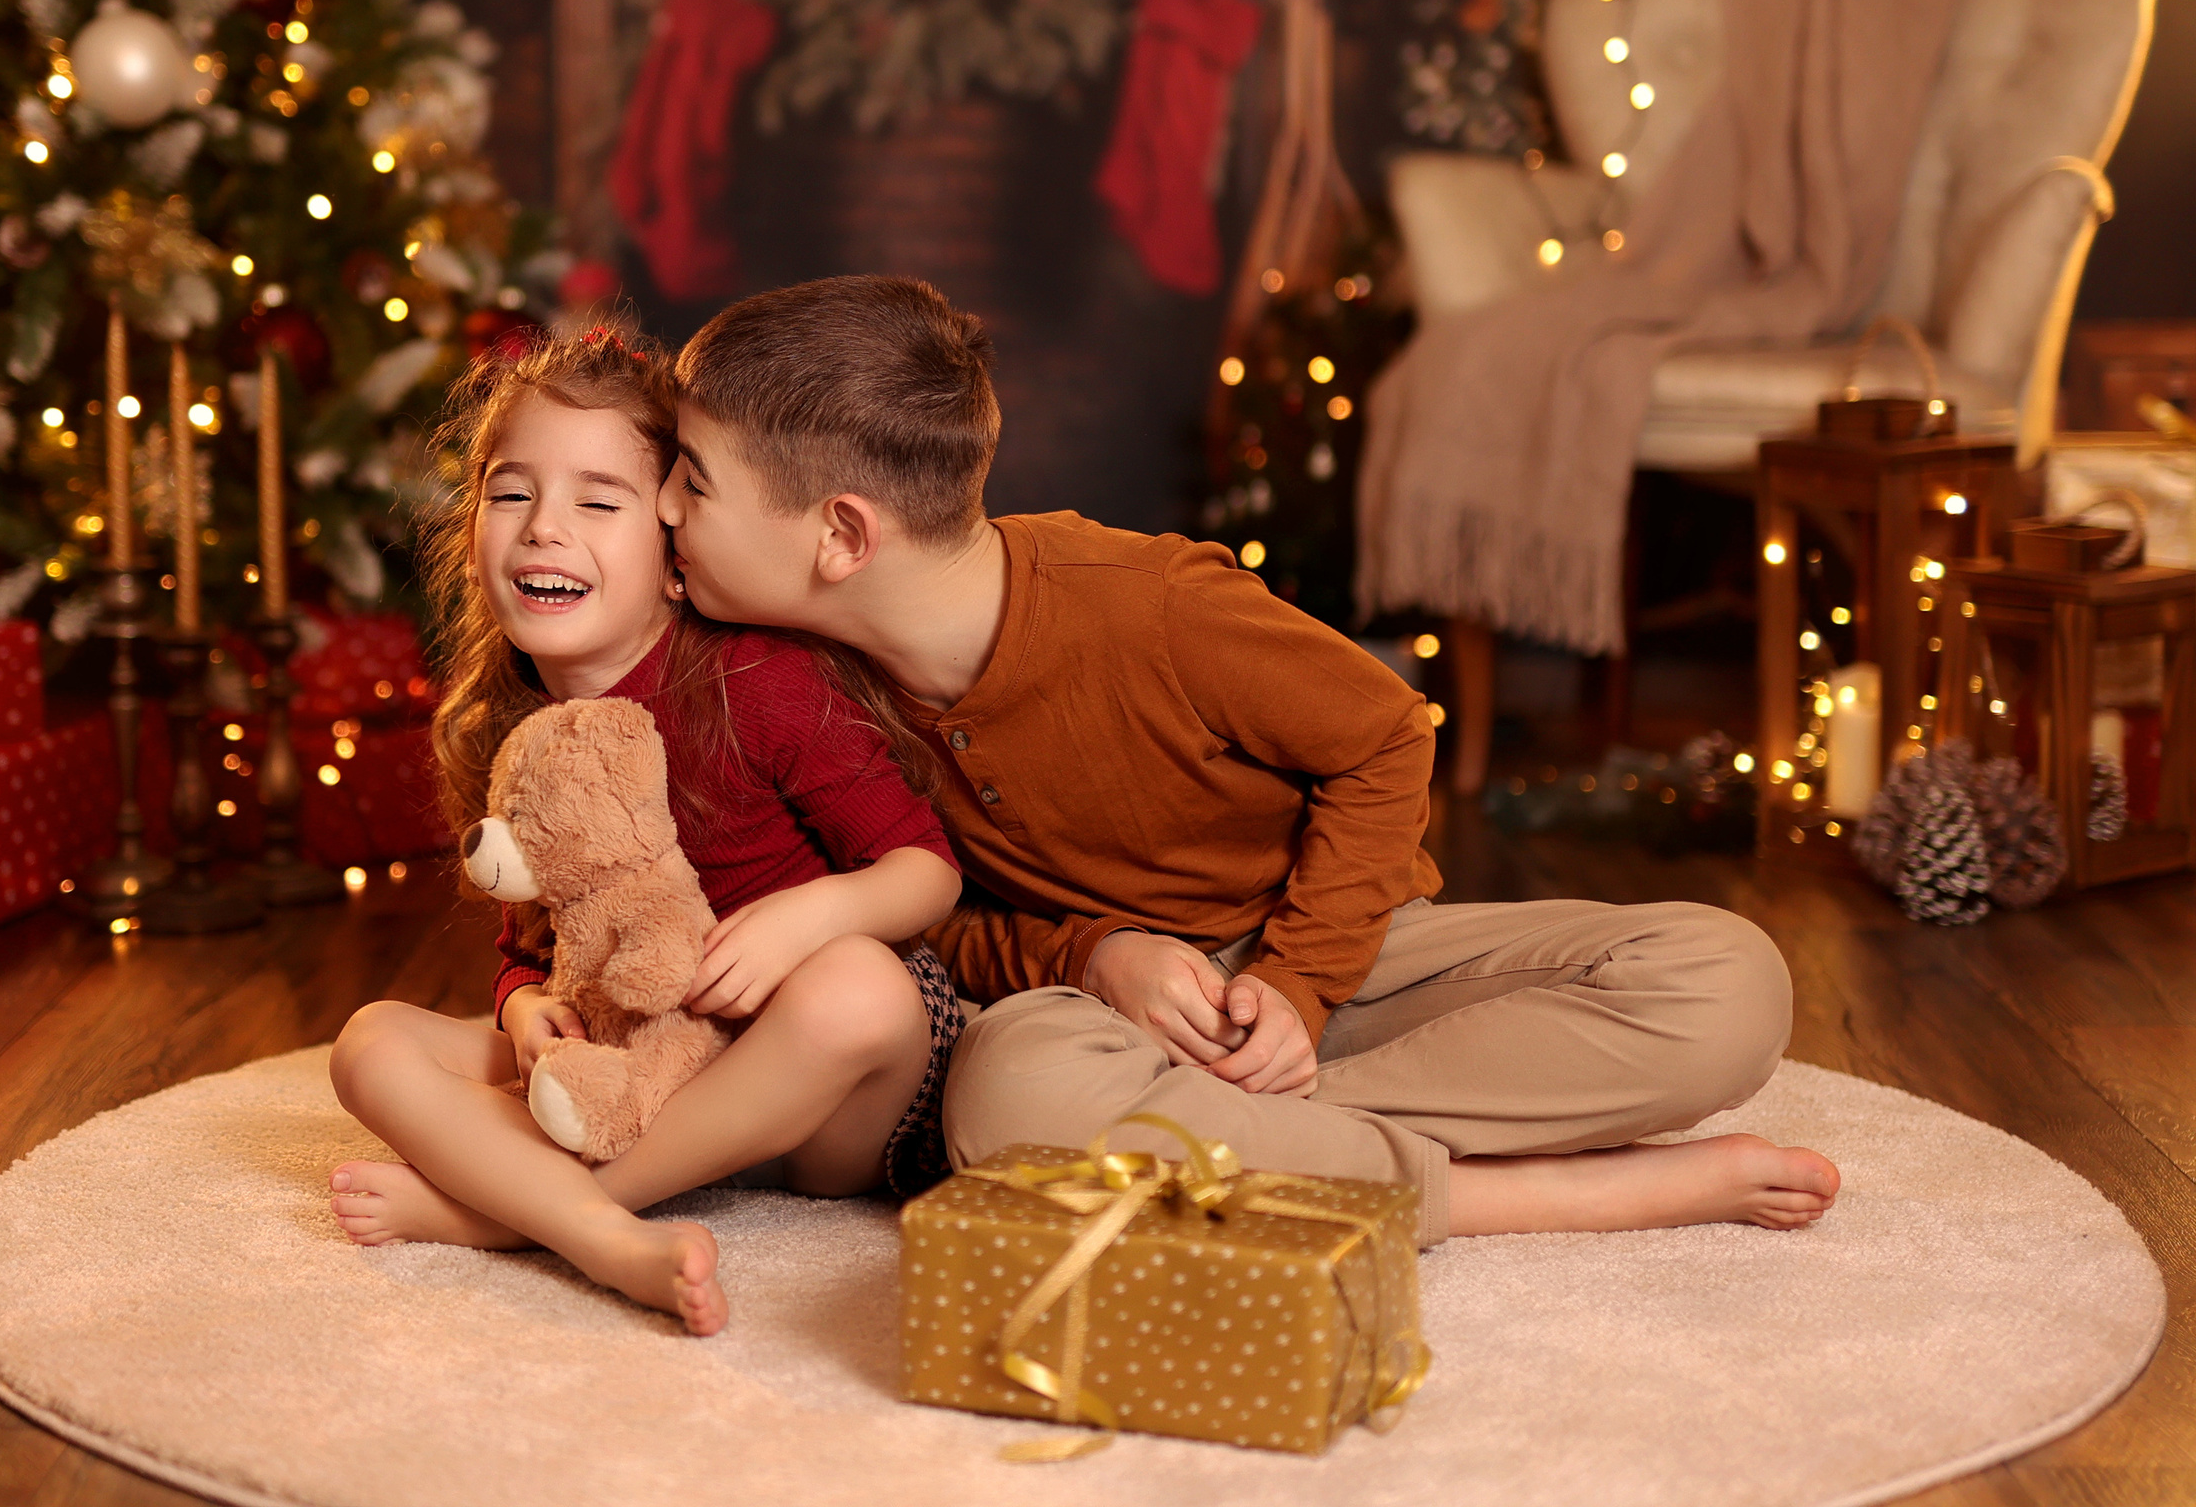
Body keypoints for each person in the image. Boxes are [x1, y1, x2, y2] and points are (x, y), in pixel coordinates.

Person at [656, 274, 1842, 1249]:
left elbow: (1386, 738)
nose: (661, 508)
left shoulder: (1154, 605)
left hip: (1348, 973)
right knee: (1008, 1097)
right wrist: (1099, 956)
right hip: (1091, 1018)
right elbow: (919, 930)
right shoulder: (790, 681)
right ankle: (1532, 1195)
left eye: (692, 481)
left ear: (841, 534)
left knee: (1726, 983)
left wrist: (1299, 984)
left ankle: (1248, 1140)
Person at [326, 329, 962, 1335]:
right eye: (509, 492)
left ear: (674, 558)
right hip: (640, 1063)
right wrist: (526, 1009)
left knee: (863, 991)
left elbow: (923, 870)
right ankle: (593, 1226)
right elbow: (531, 947)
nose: (542, 528)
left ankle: (528, 1219)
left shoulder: (758, 683)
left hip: (819, 1099)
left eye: (596, 500)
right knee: (371, 1046)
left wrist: (810, 919)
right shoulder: (507, 722)